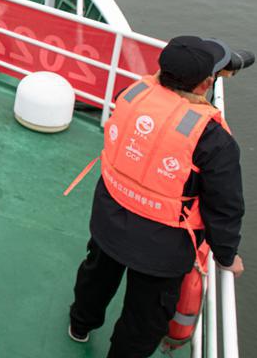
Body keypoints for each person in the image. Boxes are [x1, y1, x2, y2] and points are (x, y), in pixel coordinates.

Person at [68, 35, 245, 358]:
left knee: (96, 278)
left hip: (109, 217)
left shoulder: (130, 95)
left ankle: (80, 325)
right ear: (206, 83)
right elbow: (225, 206)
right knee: (144, 316)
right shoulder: (212, 138)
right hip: (162, 246)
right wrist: (226, 256)